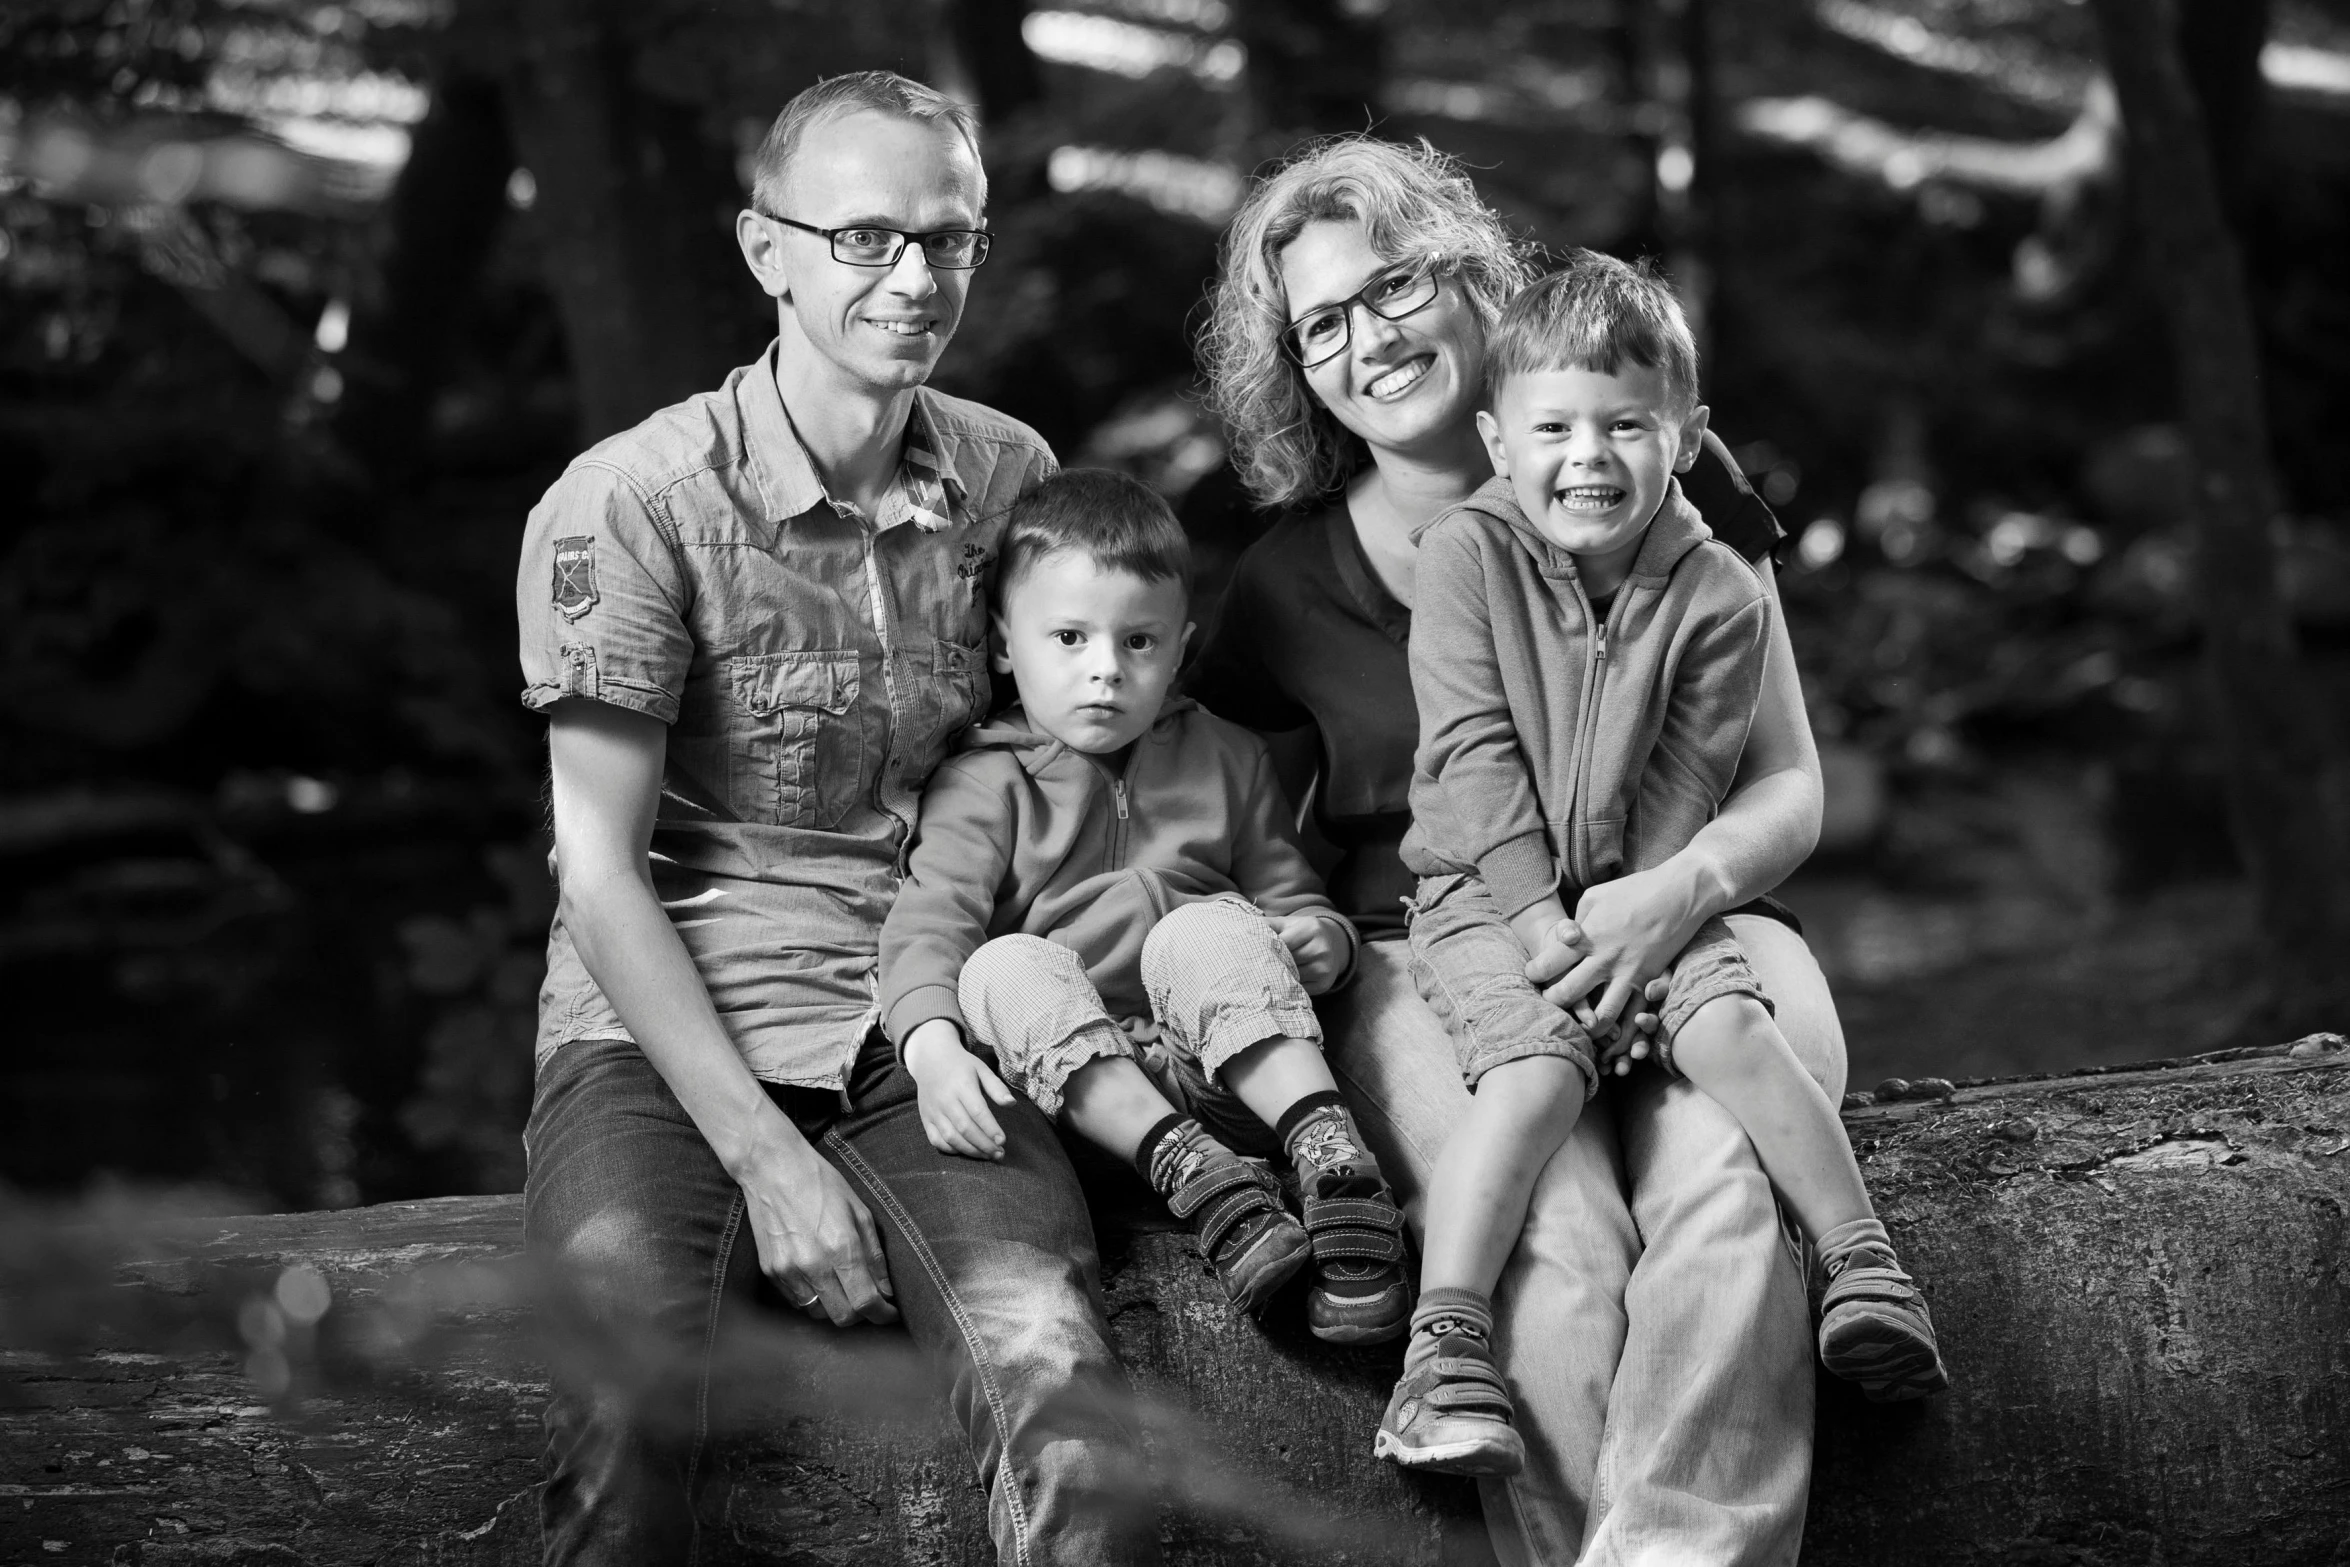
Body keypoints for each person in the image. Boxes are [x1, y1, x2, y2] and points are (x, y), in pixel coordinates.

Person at [515, 73, 1156, 1566]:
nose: (915, 279)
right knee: (621, 1421)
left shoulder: (1012, 478)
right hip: (662, 1035)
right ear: (767, 252)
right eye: (865, 236)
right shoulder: (632, 503)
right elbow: (598, 871)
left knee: (1072, 1420)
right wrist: (770, 1164)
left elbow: (1055, 784)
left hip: (919, 1020)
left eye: (950, 239)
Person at [1188, 135, 1849, 1564]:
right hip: (1420, 954)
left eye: (1397, 282)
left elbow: (1790, 782)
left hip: (1699, 921)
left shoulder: (1655, 463)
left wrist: (1670, 892)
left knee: (1725, 1187)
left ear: (1477, 277)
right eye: (1322, 324)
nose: (1371, 337)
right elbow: (1229, 828)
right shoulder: (1280, 587)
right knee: (1553, 1235)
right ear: (1295, 370)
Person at [1379, 258, 1949, 1476]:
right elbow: (1471, 757)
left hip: (1653, 883)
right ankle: (1443, 1347)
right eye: (1553, 429)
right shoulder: (1461, 558)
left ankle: (1864, 1263)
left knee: (1735, 1031)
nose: (1588, 456)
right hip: (1483, 895)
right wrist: (1546, 929)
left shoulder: (1722, 592)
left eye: (1625, 424)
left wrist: (1639, 937)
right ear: (1497, 438)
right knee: (1535, 1077)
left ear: (1684, 435)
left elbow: (1694, 783)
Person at [878, 468, 1412, 1343]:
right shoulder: (986, 781)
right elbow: (927, 926)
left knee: (1206, 928)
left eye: (1138, 643)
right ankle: (1195, 1175)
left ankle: (1329, 1157)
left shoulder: (1229, 759)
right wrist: (933, 1050)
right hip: (1084, 1102)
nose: (1105, 670)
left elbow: (1293, 897)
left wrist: (1323, 939)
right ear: (1006, 644)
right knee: (997, 964)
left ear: (1180, 647)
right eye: (1069, 638)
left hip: (1225, 1071)